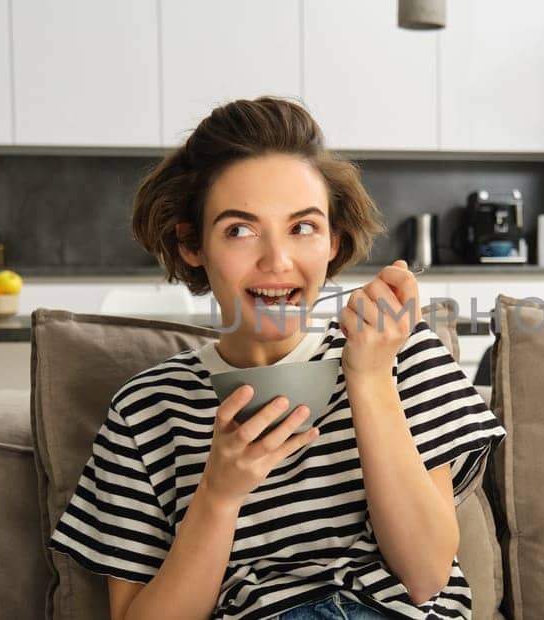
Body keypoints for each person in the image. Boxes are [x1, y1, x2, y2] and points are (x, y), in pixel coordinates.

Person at [48, 97, 507, 620]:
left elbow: (426, 575)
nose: (277, 261)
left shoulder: (399, 351)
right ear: (191, 243)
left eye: (303, 227)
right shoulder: (148, 409)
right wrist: (218, 495)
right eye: (240, 230)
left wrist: (370, 377)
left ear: (333, 240)